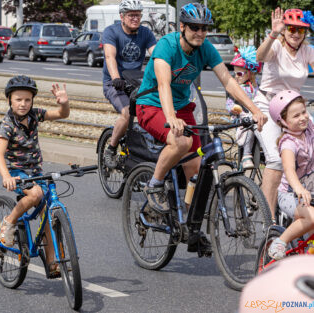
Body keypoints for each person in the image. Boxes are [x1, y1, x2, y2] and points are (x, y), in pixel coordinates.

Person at [135, 3, 267, 252]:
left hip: (183, 107)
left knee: (196, 169)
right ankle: (154, 184)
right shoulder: (167, 45)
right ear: (182, 27)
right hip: (151, 104)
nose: (200, 32)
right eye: (194, 27)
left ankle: (188, 226)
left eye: (204, 28)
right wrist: (171, 118)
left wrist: (254, 109)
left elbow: (228, 80)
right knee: (181, 142)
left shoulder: (205, 48)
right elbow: (163, 85)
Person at [0, 75, 70, 277]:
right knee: (35, 195)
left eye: (27, 100)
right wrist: (6, 176)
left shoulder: (35, 115)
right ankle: (9, 221)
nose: (23, 104)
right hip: (17, 173)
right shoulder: (7, 124)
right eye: (18, 99)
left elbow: (62, 114)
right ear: (9, 100)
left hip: (36, 172)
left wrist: (64, 103)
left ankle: (53, 262)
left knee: (46, 213)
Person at [255, 8, 314, 221]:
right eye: (291, 28)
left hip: (294, 109)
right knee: (275, 161)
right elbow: (260, 56)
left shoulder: (306, 51)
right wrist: (273, 33)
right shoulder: (277, 45)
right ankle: (269, 222)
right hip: (268, 105)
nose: (295, 33)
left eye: (300, 30)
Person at [102, 0, 157, 168]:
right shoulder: (111, 32)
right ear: (122, 17)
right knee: (127, 112)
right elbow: (110, 56)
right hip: (114, 83)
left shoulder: (146, 33)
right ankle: (111, 149)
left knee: (154, 112)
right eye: (131, 15)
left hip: (137, 83)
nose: (135, 18)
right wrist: (116, 78)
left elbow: (156, 55)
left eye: (138, 15)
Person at [266, 91, 314, 260]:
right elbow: (289, 171)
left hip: (310, 189)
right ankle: (280, 242)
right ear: (283, 122)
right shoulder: (288, 143)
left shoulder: (309, 128)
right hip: (290, 194)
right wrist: (300, 189)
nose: (302, 117)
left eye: (303, 112)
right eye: (296, 116)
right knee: (312, 218)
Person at [225, 46, 262, 169]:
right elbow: (229, 103)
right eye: (234, 73)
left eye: (239, 73)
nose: (236, 76)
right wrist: (234, 108)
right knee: (249, 125)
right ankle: (246, 155)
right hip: (242, 118)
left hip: (256, 115)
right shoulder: (235, 87)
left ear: (250, 73)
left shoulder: (255, 86)